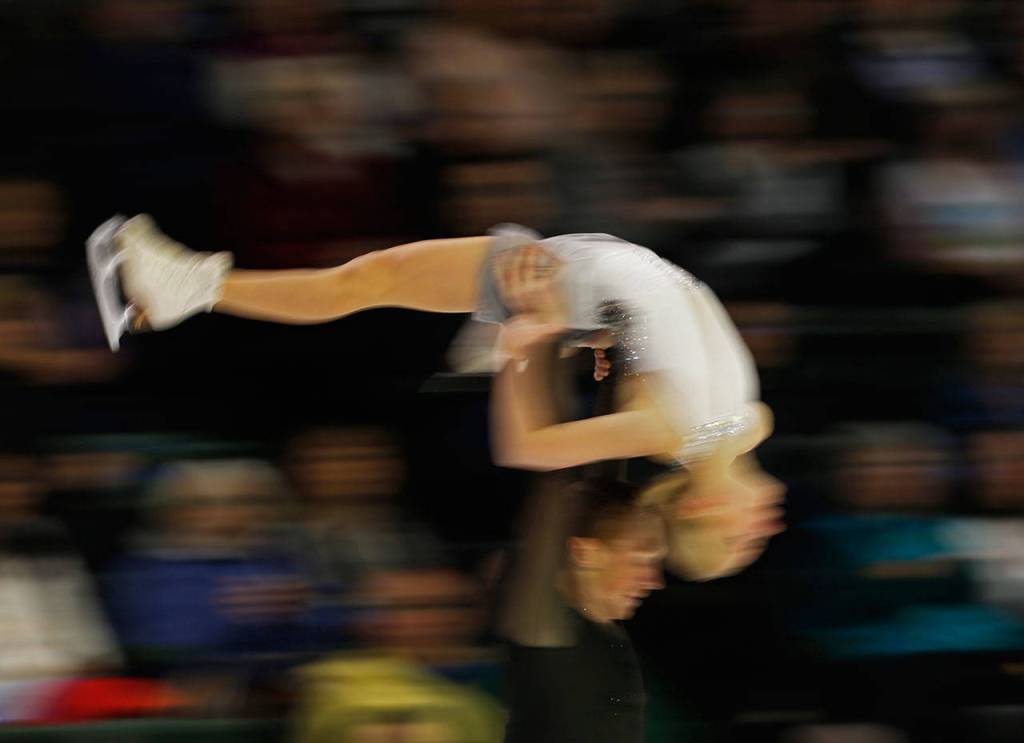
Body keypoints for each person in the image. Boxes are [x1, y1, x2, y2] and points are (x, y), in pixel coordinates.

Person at [88, 215, 783, 557]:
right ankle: (172, 290)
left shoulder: (671, 431)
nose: (763, 526)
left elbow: (531, 448)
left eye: (742, 538)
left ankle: (181, 285)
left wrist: (529, 336)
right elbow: (665, 335)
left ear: (698, 511)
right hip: (600, 278)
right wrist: (605, 337)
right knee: (369, 280)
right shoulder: (750, 423)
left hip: (570, 279)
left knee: (365, 282)